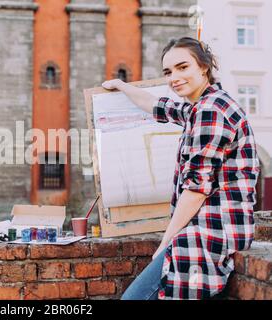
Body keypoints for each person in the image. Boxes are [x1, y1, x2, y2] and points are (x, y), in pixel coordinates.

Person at [102, 37, 260, 300]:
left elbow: (197, 189)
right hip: (208, 231)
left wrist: (165, 242)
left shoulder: (211, 110)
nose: (174, 77)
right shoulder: (199, 108)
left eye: (182, 67)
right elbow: (156, 106)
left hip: (210, 234)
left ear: (203, 67)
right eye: (168, 72)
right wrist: (120, 85)